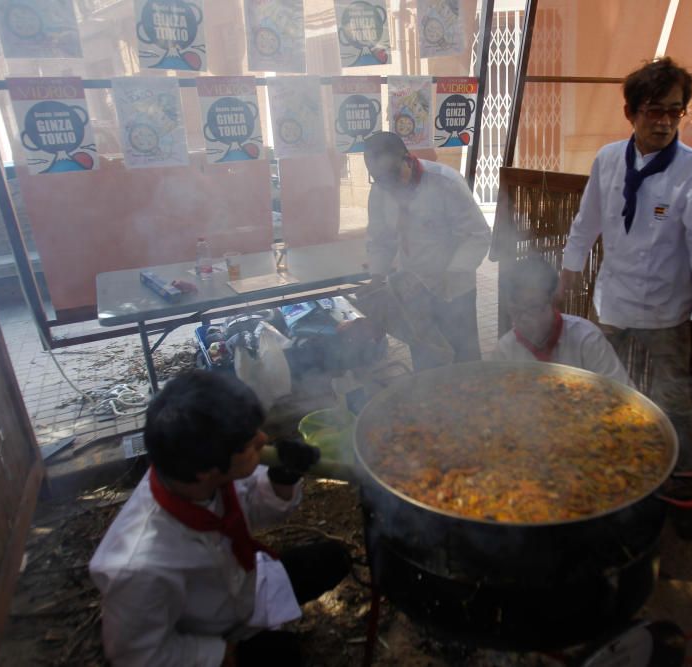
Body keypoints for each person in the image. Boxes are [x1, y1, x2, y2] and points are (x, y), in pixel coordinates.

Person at [89, 370, 350, 667]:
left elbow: (254, 505)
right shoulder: (138, 567)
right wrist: (221, 655)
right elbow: (138, 655)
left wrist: (282, 478)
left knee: (333, 558)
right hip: (209, 633)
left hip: (246, 587)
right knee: (282, 654)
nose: (264, 440)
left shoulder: (199, 476)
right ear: (206, 469)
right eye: (249, 443)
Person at [559, 57, 692, 478]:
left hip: (666, 310)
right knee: (600, 386)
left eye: (675, 111)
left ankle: (681, 482)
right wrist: (568, 271)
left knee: (673, 401)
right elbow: (587, 221)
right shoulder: (609, 159)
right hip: (613, 302)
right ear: (631, 113)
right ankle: (601, 465)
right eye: (654, 110)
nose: (665, 122)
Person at [363, 131, 491, 371]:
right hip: (412, 291)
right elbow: (381, 239)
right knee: (426, 356)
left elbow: (478, 236)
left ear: (408, 159)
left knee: (464, 359)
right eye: (380, 180)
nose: (389, 187)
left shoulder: (445, 183)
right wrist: (377, 277)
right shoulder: (381, 190)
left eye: (393, 177)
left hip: (454, 290)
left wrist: (450, 274)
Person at [491, 256, 630, 385]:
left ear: (552, 301)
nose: (524, 319)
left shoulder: (587, 341)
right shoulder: (505, 352)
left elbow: (624, 397)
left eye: (533, 308)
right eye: (516, 311)